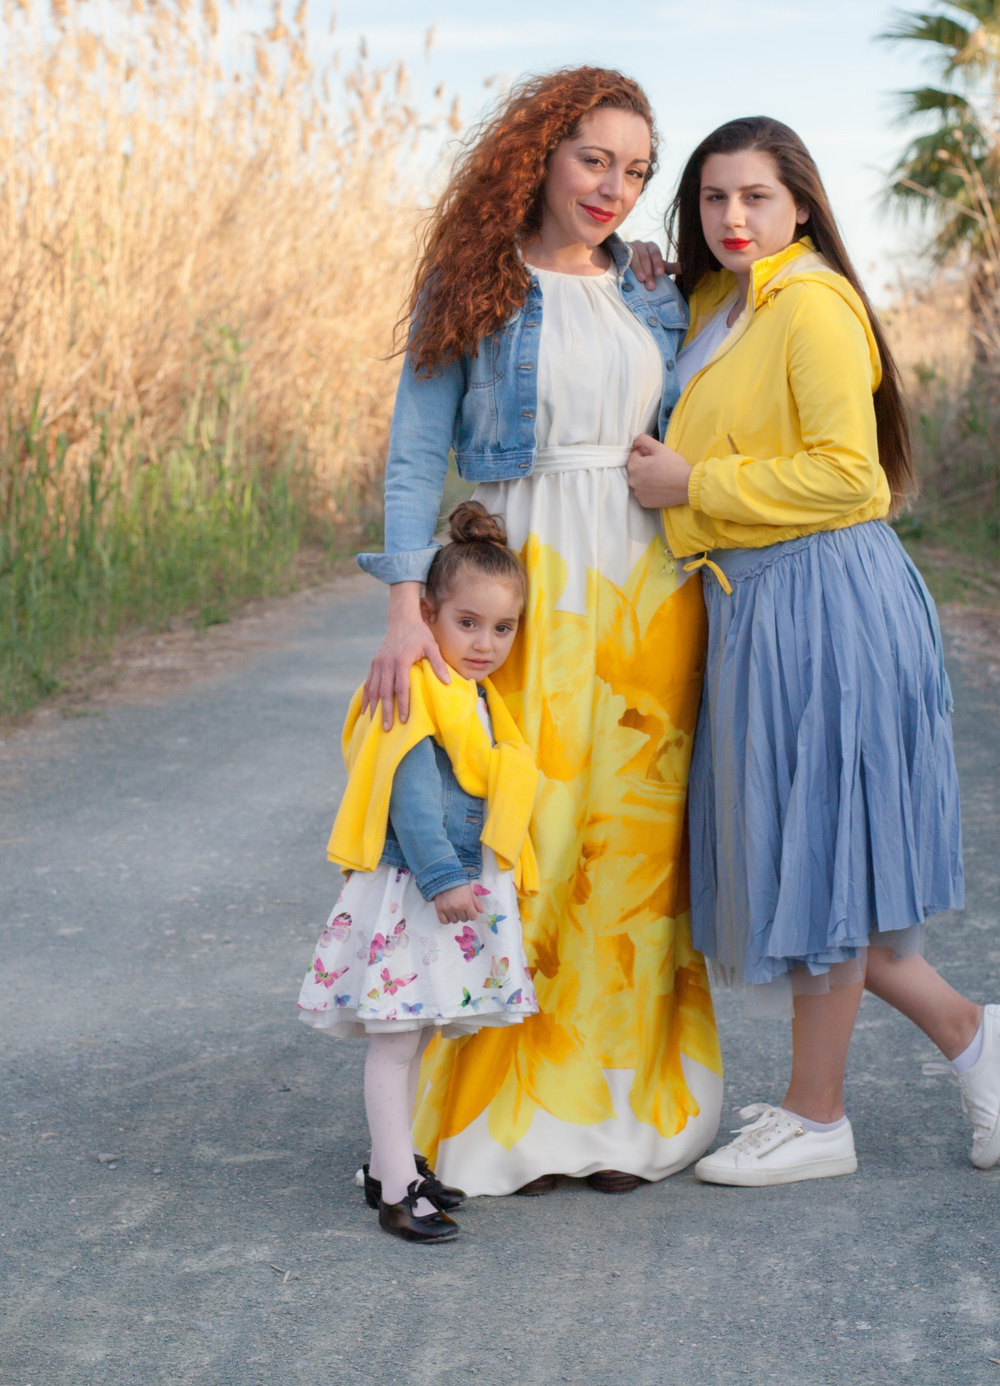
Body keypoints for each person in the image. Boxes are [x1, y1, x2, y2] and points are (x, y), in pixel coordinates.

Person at [624, 116, 1000, 1187]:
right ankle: (968, 1035)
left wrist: (694, 488)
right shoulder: (723, 302)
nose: (732, 218)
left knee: (818, 854)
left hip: (824, 598)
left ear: (800, 203)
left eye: (756, 197)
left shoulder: (812, 304)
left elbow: (850, 479)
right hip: (761, 602)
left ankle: (818, 1120)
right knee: (821, 857)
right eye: (714, 198)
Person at [359, 65, 721, 1197]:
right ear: (541, 156)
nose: (615, 188)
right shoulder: (473, 281)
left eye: (637, 171)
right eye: (594, 160)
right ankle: (492, 1116)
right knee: (516, 834)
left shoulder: (652, 291)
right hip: (526, 583)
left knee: (631, 855)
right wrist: (405, 602)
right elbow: (419, 452)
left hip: (646, 594)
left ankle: (620, 1117)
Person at [299, 502, 542, 1242]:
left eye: (503, 628)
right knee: (395, 1038)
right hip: (419, 886)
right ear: (428, 612)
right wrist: (443, 876)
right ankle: (397, 1193)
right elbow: (408, 790)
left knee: (422, 1031)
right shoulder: (417, 687)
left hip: (449, 886)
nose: (486, 642)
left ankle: (390, 1163)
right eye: (468, 622)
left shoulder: (478, 697)